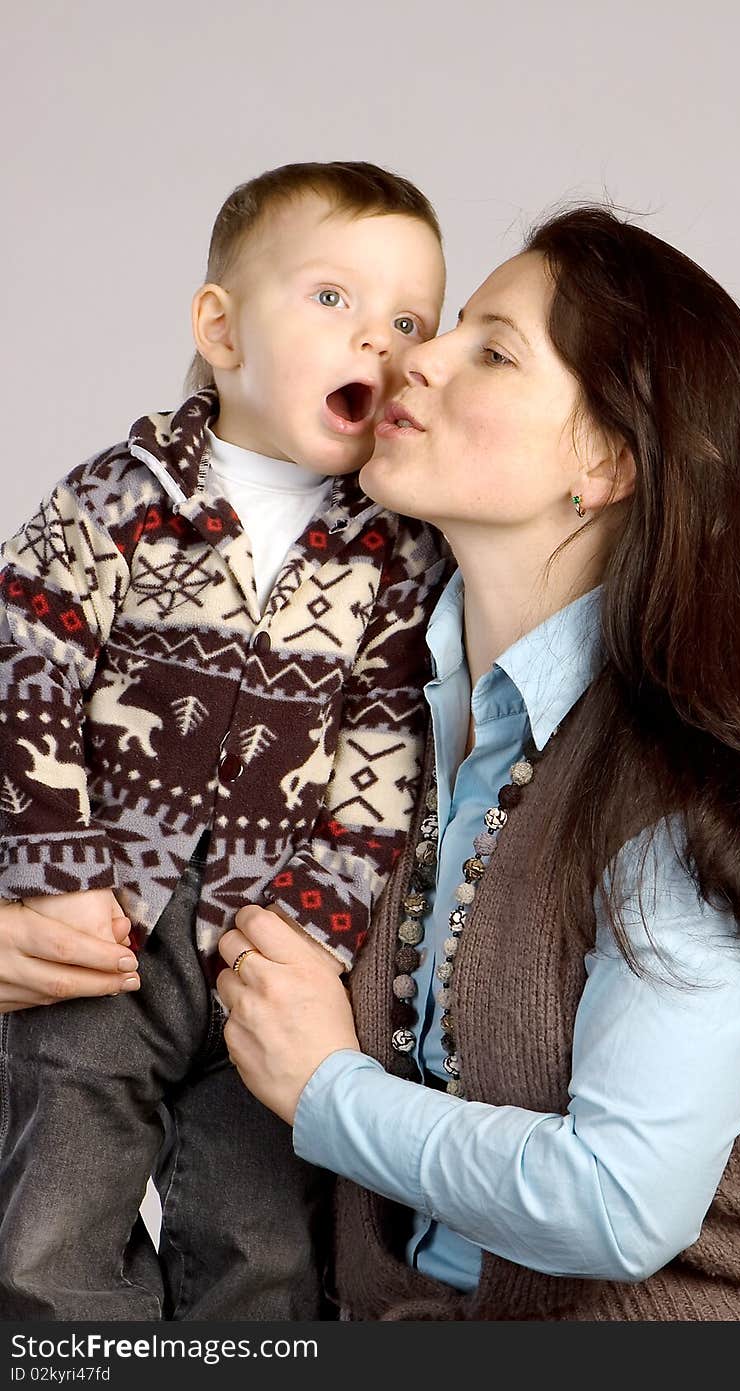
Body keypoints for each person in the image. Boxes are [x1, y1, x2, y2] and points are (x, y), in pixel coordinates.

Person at [213, 205, 740, 1320]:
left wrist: (327, 1089)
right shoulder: (366, 722)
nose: (412, 355)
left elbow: (623, 1202)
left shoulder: (687, 800)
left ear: (607, 460)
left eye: (490, 349)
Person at [0, 160, 447, 1319]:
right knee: (49, 1233)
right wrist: (49, 871)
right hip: (106, 919)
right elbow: (26, 672)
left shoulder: (397, 556)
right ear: (222, 326)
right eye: (334, 299)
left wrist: (311, 926)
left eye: (411, 321)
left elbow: (383, 760)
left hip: (271, 951)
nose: (379, 341)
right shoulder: (117, 498)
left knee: (264, 1253)